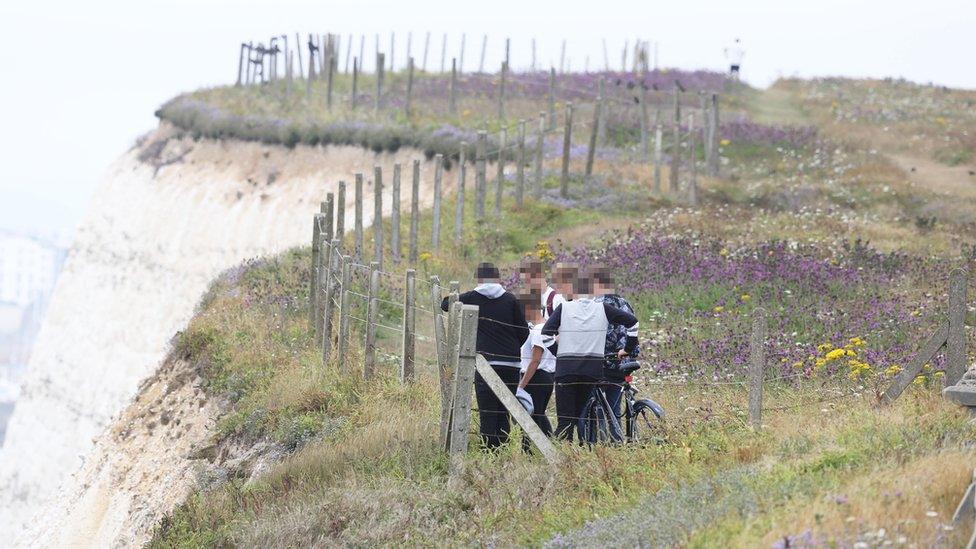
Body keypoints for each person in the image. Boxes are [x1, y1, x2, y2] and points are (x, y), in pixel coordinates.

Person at [541, 268, 639, 442]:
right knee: (583, 415)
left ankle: (561, 454)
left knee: (565, 420)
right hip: (591, 370)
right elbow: (633, 323)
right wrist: (628, 349)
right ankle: (589, 447)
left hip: (566, 371)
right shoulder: (603, 308)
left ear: (574, 290)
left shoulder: (564, 307)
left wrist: (559, 355)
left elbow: (546, 334)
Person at [442, 262, 528, 449]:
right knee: (505, 411)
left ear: (479, 279)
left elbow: (445, 304)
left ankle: (488, 452)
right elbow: (524, 332)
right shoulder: (511, 300)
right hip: (510, 365)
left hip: (485, 364)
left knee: (487, 411)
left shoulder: (471, 297)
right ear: (498, 278)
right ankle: (502, 450)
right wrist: (511, 350)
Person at [591, 263, 640, 415]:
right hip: (625, 360)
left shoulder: (597, 305)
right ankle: (616, 436)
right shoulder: (625, 303)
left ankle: (600, 435)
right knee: (614, 408)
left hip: (605, 361)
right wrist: (629, 350)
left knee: (596, 403)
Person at [516, 289, 557, 449]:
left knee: (532, 416)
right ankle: (549, 445)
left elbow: (535, 360)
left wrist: (522, 384)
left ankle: (529, 449)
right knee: (539, 413)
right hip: (543, 376)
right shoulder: (540, 328)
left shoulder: (539, 330)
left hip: (537, 377)